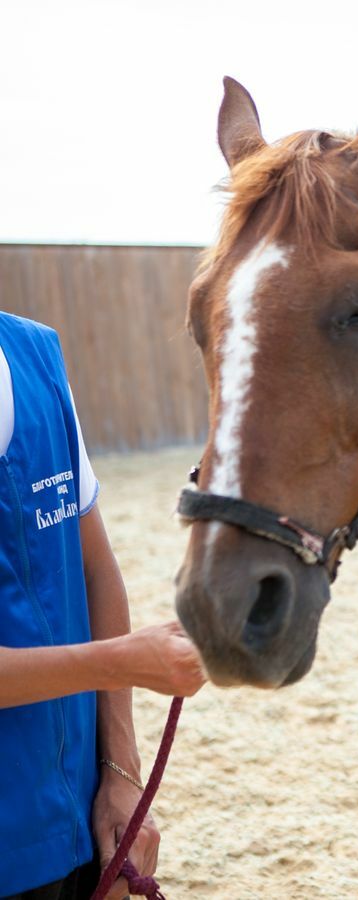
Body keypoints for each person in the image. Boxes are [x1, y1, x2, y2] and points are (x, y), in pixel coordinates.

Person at [0, 311, 207, 900]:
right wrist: (120, 661)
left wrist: (120, 775)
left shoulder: (36, 354)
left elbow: (96, 570)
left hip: (80, 822)